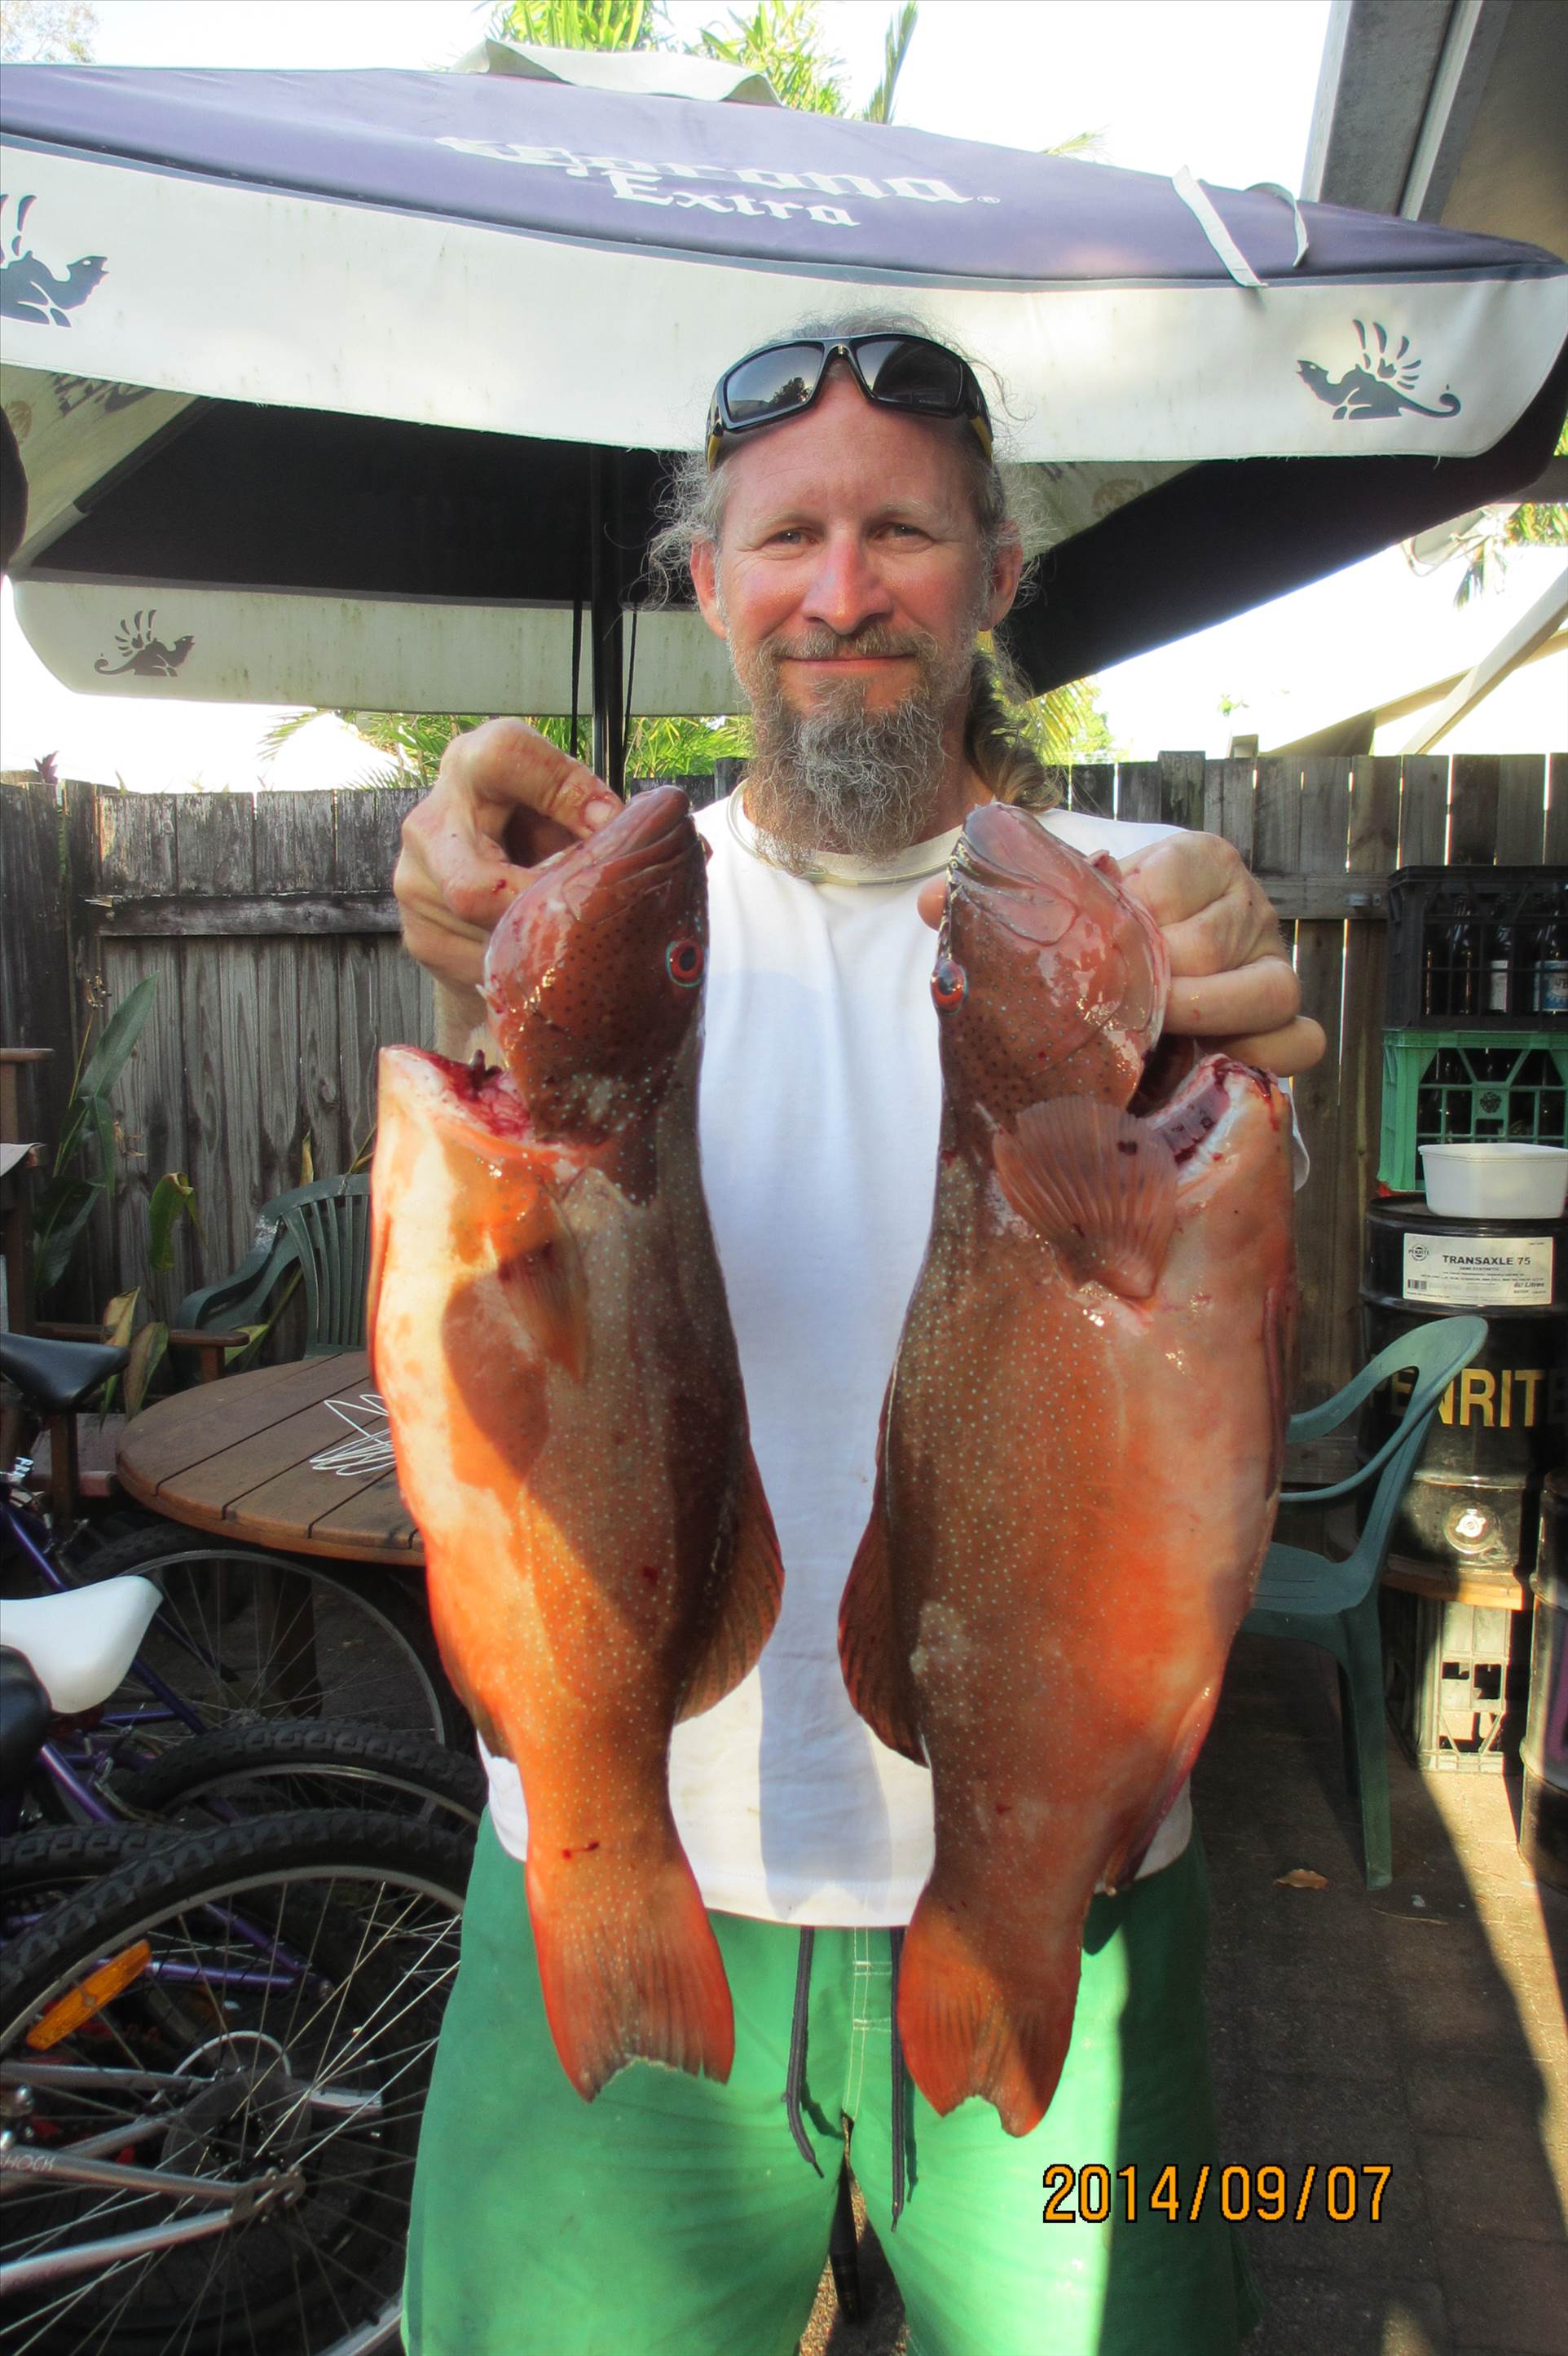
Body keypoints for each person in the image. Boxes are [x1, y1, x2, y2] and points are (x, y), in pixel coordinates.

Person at [394, 322, 1324, 2356]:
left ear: (996, 568)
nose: (842, 591)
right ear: (707, 584)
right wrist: (453, 838)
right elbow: (484, 1244)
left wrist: (1216, 1039)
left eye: (900, 529)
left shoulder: (1126, 932)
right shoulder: (601, 925)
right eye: (785, 535)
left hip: (1053, 1885)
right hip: (612, 1861)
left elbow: (1239, 1401)